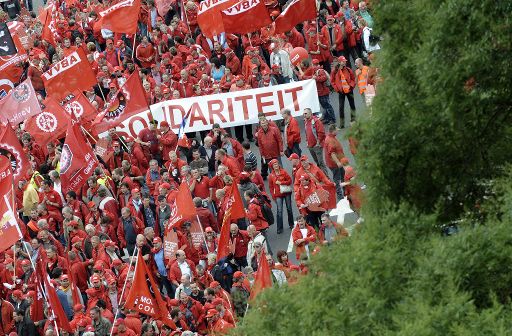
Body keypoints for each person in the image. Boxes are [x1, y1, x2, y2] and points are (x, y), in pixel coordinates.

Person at [268, 159, 294, 233]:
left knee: (289, 208)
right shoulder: (271, 175)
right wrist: (273, 197)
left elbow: (290, 181)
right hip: (278, 195)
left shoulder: (284, 172)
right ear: (272, 167)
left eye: (276, 164)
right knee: (279, 211)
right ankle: (279, 228)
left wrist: (281, 182)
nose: (276, 165)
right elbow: (270, 187)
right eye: (274, 165)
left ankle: (291, 224)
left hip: (286, 193)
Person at [303, 108, 330, 177]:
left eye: (306, 113)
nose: (304, 115)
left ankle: (326, 178)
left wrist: (318, 143)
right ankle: (322, 176)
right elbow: (307, 133)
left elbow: (321, 133)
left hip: (317, 146)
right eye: (304, 113)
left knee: (321, 162)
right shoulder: (306, 122)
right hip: (310, 146)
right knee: (317, 162)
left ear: (310, 113)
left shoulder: (316, 121)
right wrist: (307, 142)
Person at [324, 124, 347, 201]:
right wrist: (338, 162)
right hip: (334, 164)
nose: (337, 131)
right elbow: (332, 153)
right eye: (336, 130)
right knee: (337, 179)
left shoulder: (330, 138)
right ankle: (340, 195)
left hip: (333, 163)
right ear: (333, 130)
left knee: (342, 175)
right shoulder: (331, 140)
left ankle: (344, 191)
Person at [333, 56, 357, 128]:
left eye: (345, 61)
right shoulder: (335, 71)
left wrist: (351, 86)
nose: (345, 62)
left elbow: (353, 79)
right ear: (340, 62)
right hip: (341, 92)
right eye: (344, 61)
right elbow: (332, 81)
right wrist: (337, 89)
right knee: (341, 107)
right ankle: (342, 124)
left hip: (349, 90)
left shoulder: (348, 70)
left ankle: (353, 120)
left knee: (352, 105)